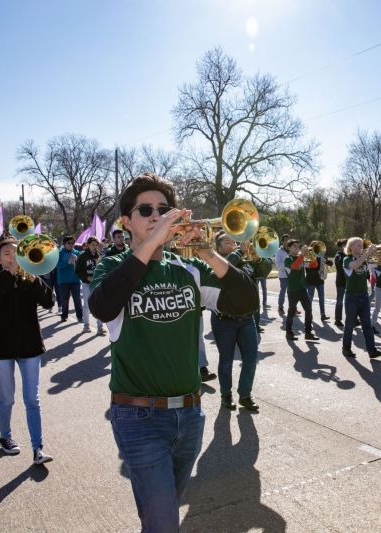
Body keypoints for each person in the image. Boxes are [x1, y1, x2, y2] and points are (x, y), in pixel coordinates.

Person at [88, 173, 258, 531]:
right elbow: (102, 307)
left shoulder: (189, 267)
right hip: (138, 418)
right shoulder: (111, 267)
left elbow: (247, 300)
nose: (157, 216)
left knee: (159, 519)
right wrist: (150, 245)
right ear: (125, 221)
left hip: (190, 415)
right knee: (165, 524)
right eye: (146, 210)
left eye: (164, 210)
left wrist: (207, 251)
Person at [0, 239, 55, 464]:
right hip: (1, 346)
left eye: (16, 253)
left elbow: (49, 302)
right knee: (7, 398)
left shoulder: (30, 279)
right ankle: (5, 437)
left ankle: (38, 448)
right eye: (7, 253)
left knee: (32, 399)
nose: (13, 257)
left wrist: (33, 279)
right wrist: (8, 275)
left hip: (29, 344)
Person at [211, 232, 261, 412]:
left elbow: (262, 271)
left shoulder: (245, 260)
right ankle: (226, 394)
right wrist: (240, 251)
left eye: (234, 241)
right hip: (224, 320)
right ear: (217, 247)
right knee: (226, 361)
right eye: (227, 242)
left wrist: (260, 256)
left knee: (251, 358)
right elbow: (229, 265)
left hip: (247, 319)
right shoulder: (217, 263)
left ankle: (245, 395)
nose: (232, 244)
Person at [341, 237, 381, 359]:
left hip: (363, 296)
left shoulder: (366, 260)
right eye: (358, 245)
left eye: (362, 245)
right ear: (350, 247)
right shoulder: (347, 259)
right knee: (350, 324)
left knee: (367, 325)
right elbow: (356, 265)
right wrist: (368, 253)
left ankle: (372, 350)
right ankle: (346, 348)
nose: (361, 248)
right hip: (351, 297)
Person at [284, 240, 319, 342]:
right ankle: (288, 332)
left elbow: (314, 265)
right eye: (294, 247)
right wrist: (302, 255)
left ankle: (308, 333)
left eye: (298, 247)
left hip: (303, 289)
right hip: (293, 290)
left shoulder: (301, 257)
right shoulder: (287, 259)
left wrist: (311, 254)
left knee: (309, 310)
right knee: (291, 313)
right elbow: (295, 266)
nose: (297, 249)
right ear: (289, 248)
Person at [75, 236, 105, 335]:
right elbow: (77, 271)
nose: (95, 247)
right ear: (88, 245)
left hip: (97, 284)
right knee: (87, 305)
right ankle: (86, 326)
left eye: (96, 245)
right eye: (93, 245)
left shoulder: (99, 255)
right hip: (86, 283)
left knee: (99, 304)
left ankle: (100, 327)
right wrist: (86, 277)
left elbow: (102, 269)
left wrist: (99, 263)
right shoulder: (82, 256)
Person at [57, 236, 83, 324]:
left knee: (77, 299)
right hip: (63, 281)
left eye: (73, 243)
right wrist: (68, 262)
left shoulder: (78, 253)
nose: (71, 245)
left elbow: (81, 266)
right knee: (65, 299)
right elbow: (57, 266)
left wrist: (77, 262)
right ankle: (64, 316)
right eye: (69, 243)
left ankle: (80, 317)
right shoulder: (59, 253)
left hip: (75, 280)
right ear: (64, 244)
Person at [305, 253, 332, 323]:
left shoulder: (321, 256)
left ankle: (323, 315)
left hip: (320, 280)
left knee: (322, 298)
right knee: (310, 299)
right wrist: (319, 259)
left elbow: (330, 264)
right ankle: (309, 314)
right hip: (311, 280)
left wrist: (328, 261)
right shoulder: (308, 256)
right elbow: (311, 267)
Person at [333, 239, 348, 327]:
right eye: (345, 245)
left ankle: (354, 319)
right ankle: (337, 319)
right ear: (341, 246)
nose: (346, 246)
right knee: (339, 301)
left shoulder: (350, 255)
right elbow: (340, 263)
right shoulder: (338, 255)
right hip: (341, 281)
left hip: (349, 281)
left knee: (350, 301)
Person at [275, 234, 290, 316]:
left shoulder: (291, 249)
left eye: (288, 240)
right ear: (282, 241)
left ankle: (293, 308)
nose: (288, 241)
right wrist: (288, 266)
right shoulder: (278, 251)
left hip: (291, 275)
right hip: (283, 276)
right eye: (286, 240)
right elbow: (278, 264)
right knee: (283, 291)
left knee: (292, 292)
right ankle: (280, 307)